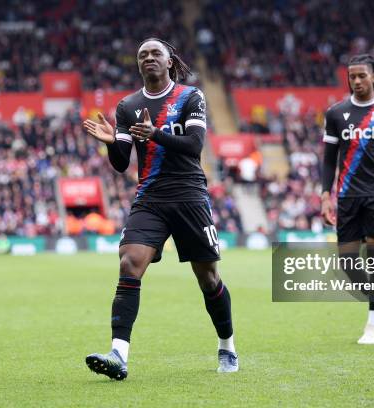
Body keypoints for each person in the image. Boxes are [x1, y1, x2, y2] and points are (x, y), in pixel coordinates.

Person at [82, 38, 238, 380]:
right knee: (129, 262)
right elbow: (122, 163)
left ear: (170, 61)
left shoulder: (190, 96)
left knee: (209, 278)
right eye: (142, 55)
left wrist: (155, 134)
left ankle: (227, 345)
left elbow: (194, 146)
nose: (148, 58)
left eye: (155, 53)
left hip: (189, 196)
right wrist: (112, 144)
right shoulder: (127, 106)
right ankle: (118, 355)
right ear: (138, 64)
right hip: (150, 197)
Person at [320, 54, 374, 345]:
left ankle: (372, 325)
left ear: (373, 76)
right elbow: (329, 160)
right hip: (346, 196)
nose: (356, 81)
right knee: (347, 263)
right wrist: (324, 196)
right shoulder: (335, 113)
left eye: (361, 76)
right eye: (352, 76)